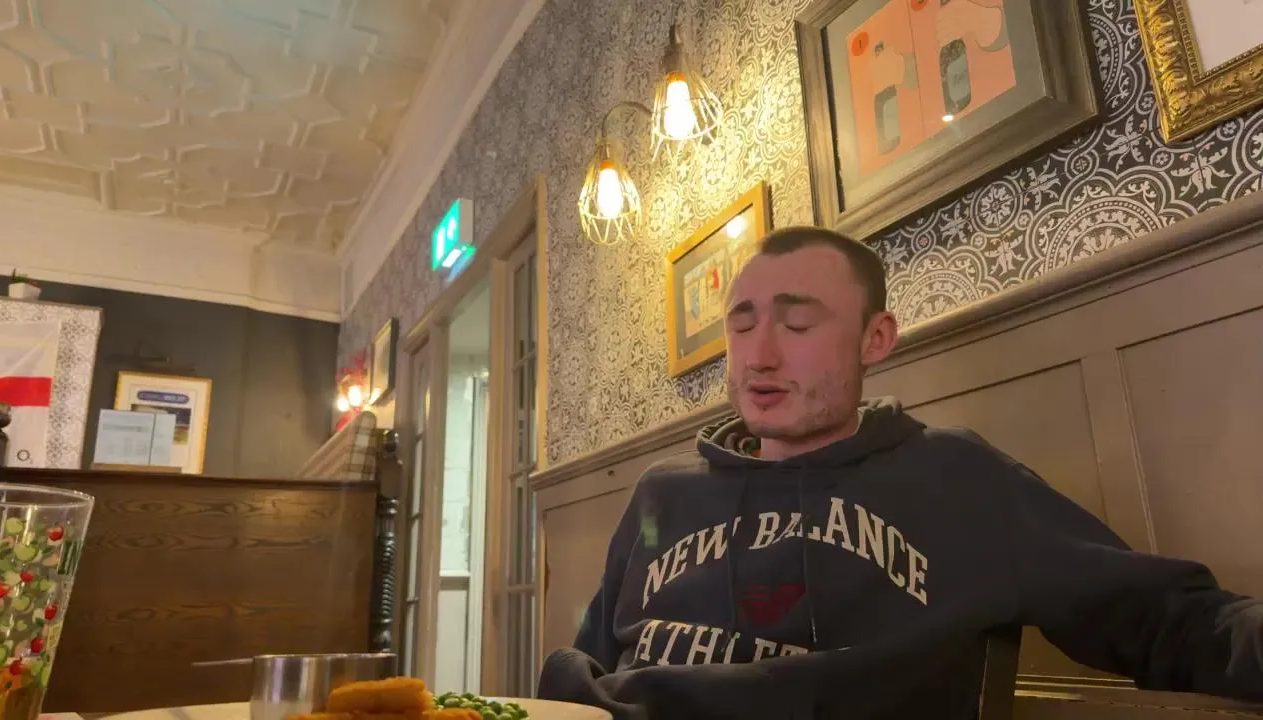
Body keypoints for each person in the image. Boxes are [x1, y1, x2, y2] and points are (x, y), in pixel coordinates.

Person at [536, 226, 1263, 719]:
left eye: (797, 324)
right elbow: (585, 670)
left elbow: (1167, 619)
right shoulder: (661, 492)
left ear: (875, 338)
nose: (759, 355)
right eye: (742, 323)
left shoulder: (955, 478)